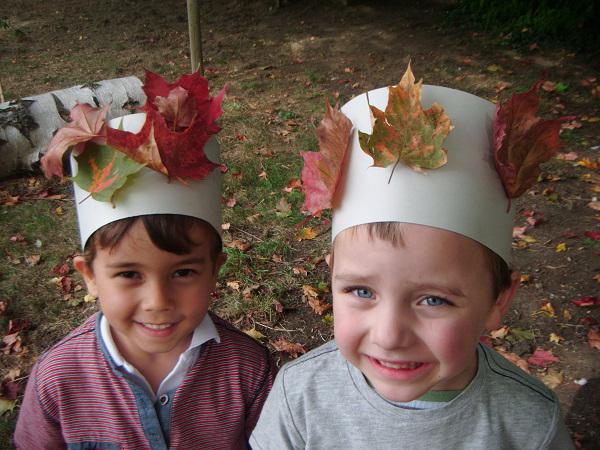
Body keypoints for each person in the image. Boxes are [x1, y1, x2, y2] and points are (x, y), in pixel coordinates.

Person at [250, 67, 574, 449]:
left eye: (433, 300)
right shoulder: (300, 396)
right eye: (361, 291)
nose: (389, 335)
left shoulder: (529, 426)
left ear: (498, 299)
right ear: (332, 276)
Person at [15, 71, 275, 449]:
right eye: (129, 274)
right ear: (89, 275)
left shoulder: (247, 372)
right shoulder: (58, 380)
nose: (158, 301)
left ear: (215, 270)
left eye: (183, 271)